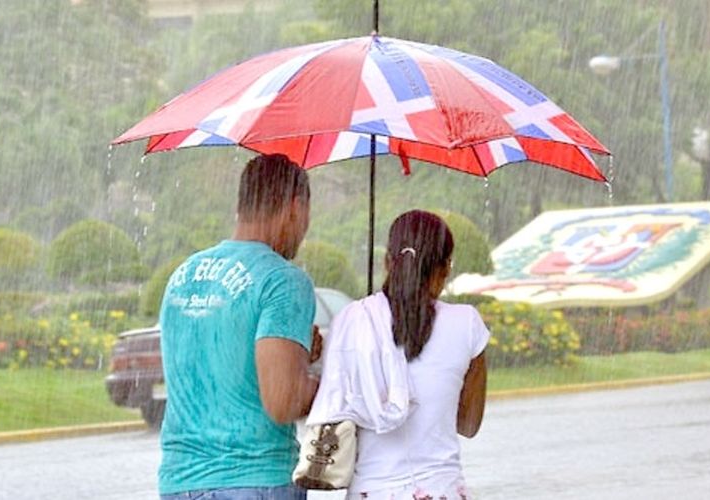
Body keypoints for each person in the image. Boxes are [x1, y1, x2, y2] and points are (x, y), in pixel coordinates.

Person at [158, 154, 321, 500]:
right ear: (295, 207)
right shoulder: (282, 280)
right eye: (306, 216)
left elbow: (218, 365)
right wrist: (342, 381)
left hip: (179, 482)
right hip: (254, 478)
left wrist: (299, 356)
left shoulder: (183, 276)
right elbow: (282, 401)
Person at [307, 210, 489, 500]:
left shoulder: (355, 321)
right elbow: (468, 424)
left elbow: (334, 402)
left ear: (387, 262)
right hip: (441, 490)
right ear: (445, 268)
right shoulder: (467, 324)